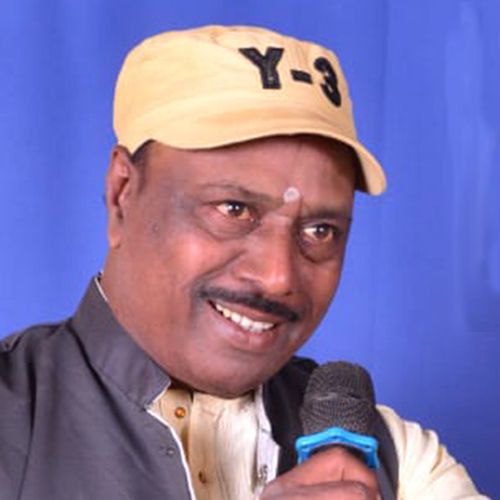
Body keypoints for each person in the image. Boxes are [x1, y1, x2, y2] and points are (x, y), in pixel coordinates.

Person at [0, 25, 487, 500]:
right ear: (122, 194)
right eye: (233, 209)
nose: (278, 277)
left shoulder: (395, 456)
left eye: (320, 231)